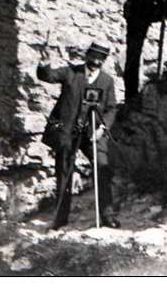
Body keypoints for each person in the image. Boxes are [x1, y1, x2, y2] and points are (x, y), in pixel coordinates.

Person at [37, 40, 120, 229]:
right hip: (68, 132)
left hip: (93, 133)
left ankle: (107, 216)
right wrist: (44, 63)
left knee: (102, 166)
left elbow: (112, 108)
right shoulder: (71, 73)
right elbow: (48, 76)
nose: (96, 61)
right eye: (93, 56)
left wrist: (102, 129)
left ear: (104, 60)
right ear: (87, 55)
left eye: (101, 58)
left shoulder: (107, 81)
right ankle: (60, 218)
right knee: (64, 172)